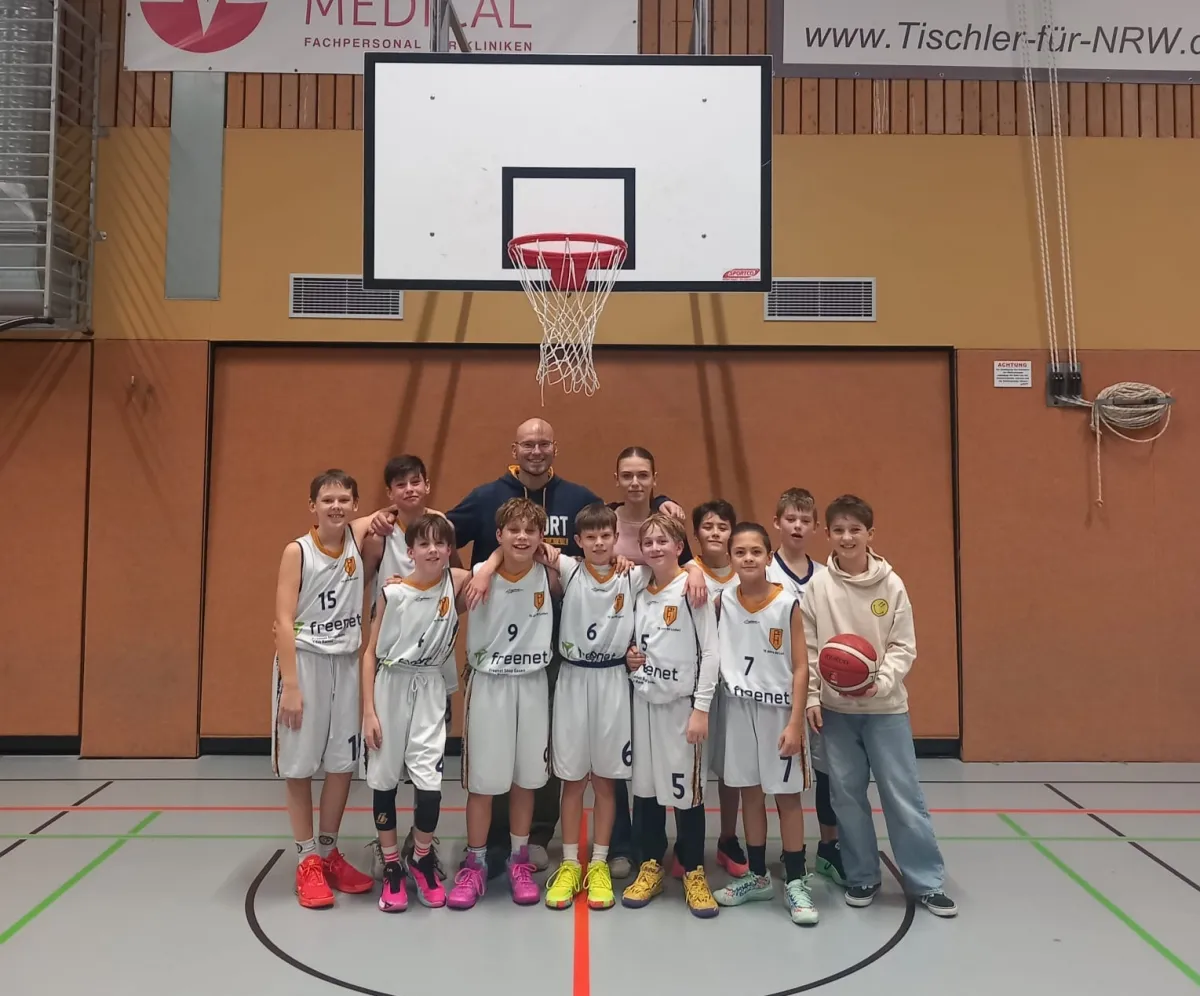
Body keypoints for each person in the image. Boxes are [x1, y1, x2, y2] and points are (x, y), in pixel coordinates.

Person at [448, 420, 684, 878]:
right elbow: (442, 538)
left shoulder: (579, 499)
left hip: (567, 651)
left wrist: (661, 503)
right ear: (514, 448)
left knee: (556, 757)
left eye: (543, 444)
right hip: (508, 650)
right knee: (518, 755)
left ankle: (558, 841)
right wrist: (484, 568)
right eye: (528, 444)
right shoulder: (486, 496)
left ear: (555, 447)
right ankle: (497, 844)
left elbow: (628, 507)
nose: (536, 451)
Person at [539, 505, 708, 911]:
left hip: (615, 681)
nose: (599, 543)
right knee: (572, 780)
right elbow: (521, 545)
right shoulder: (568, 568)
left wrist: (696, 568)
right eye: (590, 537)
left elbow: (673, 565)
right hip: (573, 679)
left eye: (605, 536)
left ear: (617, 539)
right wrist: (487, 569)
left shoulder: (634, 575)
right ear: (577, 541)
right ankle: (570, 864)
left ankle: (599, 862)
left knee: (606, 780)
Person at [802, 495, 958, 918]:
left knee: (902, 795)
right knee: (846, 797)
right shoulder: (818, 587)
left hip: (886, 710)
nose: (847, 537)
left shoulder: (892, 585)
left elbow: (903, 646)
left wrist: (879, 683)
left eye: (855, 529)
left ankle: (926, 882)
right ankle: (862, 875)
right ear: (827, 534)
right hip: (836, 713)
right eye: (839, 530)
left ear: (870, 534)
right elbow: (810, 648)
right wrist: (814, 696)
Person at [271, 469, 380, 909]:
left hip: (345, 665)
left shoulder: (357, 537)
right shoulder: (297, 551)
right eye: (327, 500)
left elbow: (395, 512)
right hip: (305, 663)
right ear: (312, 506)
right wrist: (291, 685)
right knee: (299, 767)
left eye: (343, 500)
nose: (336, 506)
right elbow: (282, 620)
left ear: (355, 505)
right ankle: (307, 859)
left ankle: (330, 851)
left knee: (341, 764)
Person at [448, 498, 560, 910]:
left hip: (532, 683)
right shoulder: (478, 575)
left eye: (530, 531)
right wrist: (488, 566)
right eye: (513, 530)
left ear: (542, 537)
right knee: (482, 784)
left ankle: (518, 859)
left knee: (525, 780)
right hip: (489, 683)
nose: (522, 537)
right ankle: (475, 862)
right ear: (499, 535)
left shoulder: (552, 574)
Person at [361, 513, 475, 912]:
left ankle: (421, 857)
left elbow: (495, 569)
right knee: (385, 780)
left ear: (449, 550)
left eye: (440, 543)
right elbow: (370, 654)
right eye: (423, 544)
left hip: (430, 687)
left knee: (430, 785)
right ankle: (392, 865)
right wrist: (368, 712)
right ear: (409, 552)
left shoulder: (456, 582)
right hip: (390, 687)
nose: (432, 550)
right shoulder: (392, 592)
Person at [711, 522, 819, 926]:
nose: (748, 558)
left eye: (756, 551)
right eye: (740, 552)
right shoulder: (723, 601)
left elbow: (801, 666)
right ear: (730, 558)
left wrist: (795, 722)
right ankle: (757, 877)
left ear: (768, 556)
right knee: (750, 793)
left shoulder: (787, 602)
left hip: (779, 713)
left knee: (786, 797)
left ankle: (796, 880)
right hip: (739, 710)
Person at [360, 455, 456, 880]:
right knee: (385, 767)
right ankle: (388, 853)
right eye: (401, 484)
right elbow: (362, 576)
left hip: (433, 663)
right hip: (392, 657)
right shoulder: (380, 531)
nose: (410, 489)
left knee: (427, 765)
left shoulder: (442, 528)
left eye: (416, 482)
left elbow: (467, 577)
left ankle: (421, 848)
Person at [621, 513, 720, 919]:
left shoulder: (693, 588)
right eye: (648, 542)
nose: (655, 548)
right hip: (644, 702)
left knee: (686, 794)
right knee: (645, 792)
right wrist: (631, 658)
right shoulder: (639, 588)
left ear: (679, 547)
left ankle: (694, 869)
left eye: (663, 541)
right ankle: (650, 865)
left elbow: (711, 652)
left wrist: (701, 709)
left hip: (682, 706)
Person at [766, 488, 845, 885]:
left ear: (815, 527)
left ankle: (829, 847)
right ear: (776, 522)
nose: (797, 526)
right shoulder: (765, 572)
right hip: (777, 690)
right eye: (790, 519)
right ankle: (790, 848)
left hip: (821, 691)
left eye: (804, 520)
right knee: (785, 776)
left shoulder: (827, 577)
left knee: (827, 773)